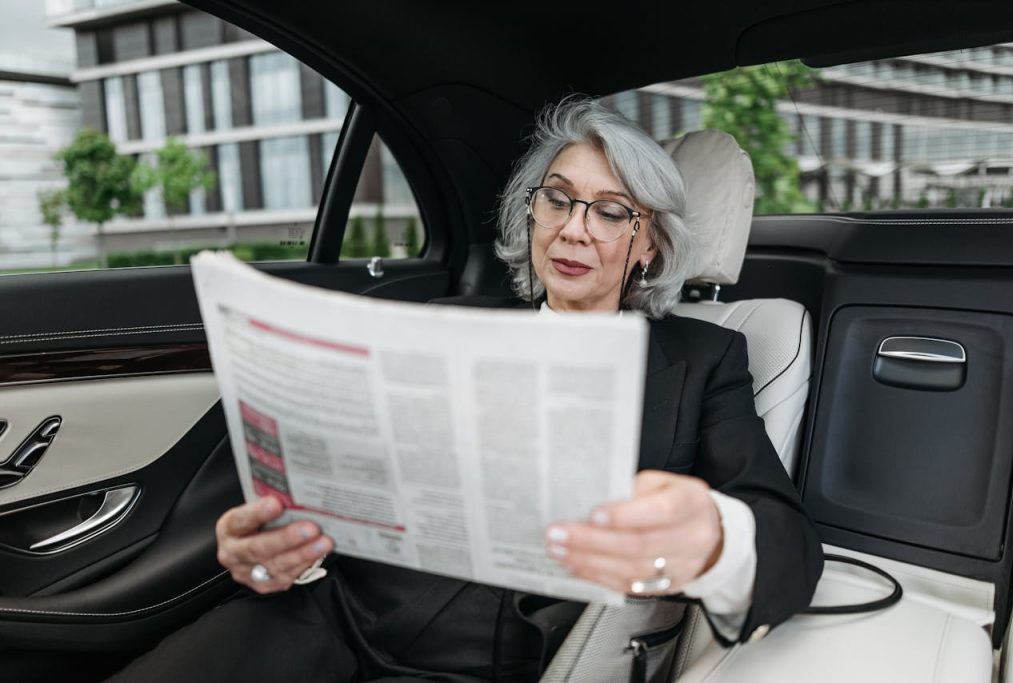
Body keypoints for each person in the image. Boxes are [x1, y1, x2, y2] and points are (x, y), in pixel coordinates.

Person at [108, 98, 822, 682]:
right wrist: (280, 550)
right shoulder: (445, 325)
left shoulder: (704, 360)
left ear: (650, 245)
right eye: (560, 199)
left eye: (611, 212)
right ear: (533, 213)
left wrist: (712, 540)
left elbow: (787, 541)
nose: (575, 228)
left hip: (483, 664)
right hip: (314, 617)